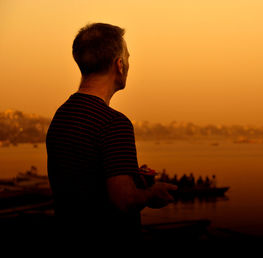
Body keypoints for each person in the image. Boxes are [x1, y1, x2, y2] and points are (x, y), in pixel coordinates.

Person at [46, 23, 177, 240]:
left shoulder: (61, 115)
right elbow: (124, 200)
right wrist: (151, 193)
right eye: (127, 57)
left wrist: (133, 177)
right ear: (119, 65)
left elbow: (84, 179)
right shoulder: (114, 123)